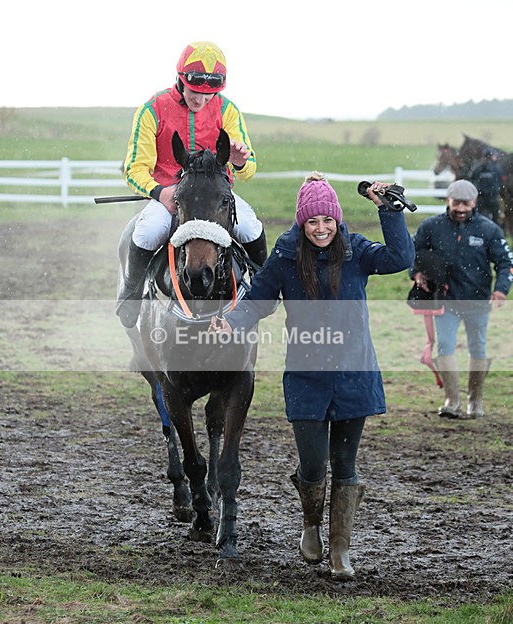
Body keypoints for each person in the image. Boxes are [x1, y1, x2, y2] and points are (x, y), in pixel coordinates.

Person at [210, 173, 415, 579]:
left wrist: (389, 211)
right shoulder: (286, 255)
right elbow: (258, 301)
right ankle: (310, 525)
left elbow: (401, 258)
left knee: (346, 464)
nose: (321, 229)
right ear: (302, 224)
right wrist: (232, 321)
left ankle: (341, 550)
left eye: (328, 222)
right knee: (313, 465)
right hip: (307, 377)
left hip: (355, 372)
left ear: (337, 222)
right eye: (313, 222)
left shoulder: (356, 251)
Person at [117, 40, 267, 328]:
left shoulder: (228, 110)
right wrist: (159, 192)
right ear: (180, 80)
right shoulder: (152, 109)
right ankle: (131, 292)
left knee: (250, 227)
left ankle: (263, 289)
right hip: (170, 196)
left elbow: (249, 169)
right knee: (147, 231)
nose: (201, 100)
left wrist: (238, 161)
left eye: (209, 96)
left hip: (215, 199)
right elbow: (134, 168)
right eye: (195, 92)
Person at [412, 179, 512, 419]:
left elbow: (505, 262)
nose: (460, 208)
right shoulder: (431, 227)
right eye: (456, 203)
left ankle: (475, 401)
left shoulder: (489, 229)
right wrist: (415, 272)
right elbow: (413, 253)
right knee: (445, 345)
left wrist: (501, 290)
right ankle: (452, 401)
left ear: (474, 202)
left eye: (466, 203)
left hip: (478, 301)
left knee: (478, 347)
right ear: (448, 200)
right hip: (444, 300)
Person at [470, 150, 503, 223]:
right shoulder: (497, 168)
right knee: (495, 218)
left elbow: (472, 179)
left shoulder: (478, 168)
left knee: (479, 218)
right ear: (492, 157)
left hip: (481, 198)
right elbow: (500, 181)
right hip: (493, 197)